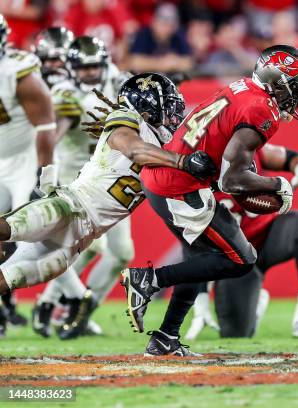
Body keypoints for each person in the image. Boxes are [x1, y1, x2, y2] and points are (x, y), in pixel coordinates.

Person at [121, 45, 298, 356]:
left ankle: (165, 338)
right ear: (278, 82)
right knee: (242, 259)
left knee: (202, 262)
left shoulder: (244, 88)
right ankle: (149, 279)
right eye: (296, 88)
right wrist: (276, 185)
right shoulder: (262, 108)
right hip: (178, 187)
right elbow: (231, 180)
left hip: (169, 180)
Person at [0, 72, 216, 315]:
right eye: (167, 105)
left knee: (12, 277)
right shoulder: (125, 119)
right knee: (8, 228)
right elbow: (134, 150)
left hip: (83, 237)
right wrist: (185, 162)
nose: (174, 113)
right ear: (147, 109)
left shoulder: (165, 146)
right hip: (70, 207)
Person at [30, 36, 135, 340]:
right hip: (76, 177)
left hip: (113, 177)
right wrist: (43, 173)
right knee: (87, 247)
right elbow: (52, 135)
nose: (89, 72)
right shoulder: (66, 93)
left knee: (121, 253)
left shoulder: (121, 82)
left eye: (93, 66)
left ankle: (78, 311)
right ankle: (62, 307)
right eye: (82, 67)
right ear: (72, 67)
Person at [185, 143, 298, 340]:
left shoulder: (249, 148)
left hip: (267, 236)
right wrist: (201, 300)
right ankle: (254, 302)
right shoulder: (195, 168)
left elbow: (291, 157)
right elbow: (192, 242)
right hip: (234, 259)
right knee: (236, 333)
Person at [0, 14, 56, 337]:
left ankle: (9, 301)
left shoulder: (18, 73)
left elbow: (46, 127)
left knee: (19, 232)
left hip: (22, 160)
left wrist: (43, 174)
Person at [128, 3, 193, 74]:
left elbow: (189, 62)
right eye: (163, 24)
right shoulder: (144, 34)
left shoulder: (177, 36)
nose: (167, 28)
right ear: (154, 22)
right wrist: (160, 63)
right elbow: (134, 61)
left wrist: (175, 62)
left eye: (171, 25)